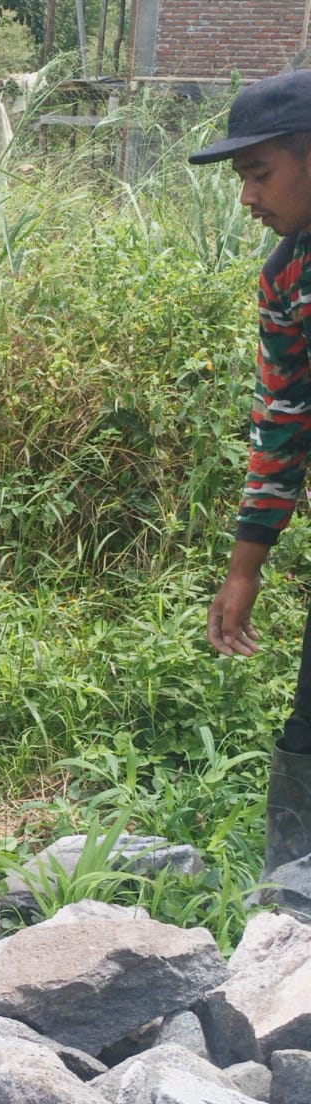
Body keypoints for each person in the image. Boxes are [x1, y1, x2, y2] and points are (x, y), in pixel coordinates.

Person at [198, 70, 311, 896]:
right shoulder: (286, 279)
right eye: (241, 178)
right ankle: (291, 918)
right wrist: (245, 565)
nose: (247, 197)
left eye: (259, 172)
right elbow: (283, 419)